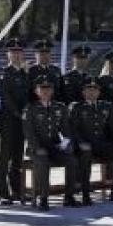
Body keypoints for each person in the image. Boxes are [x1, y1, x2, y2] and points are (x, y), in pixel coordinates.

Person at [23, 77, 79, 210]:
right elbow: (28, 132)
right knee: (43, 161)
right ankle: (43, 198)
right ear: (36, 91)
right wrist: (37, 148)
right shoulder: (30, 109)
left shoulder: (60, 107)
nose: (45, 92)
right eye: (42, 89)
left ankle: (69, 196)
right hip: (36, 148)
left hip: (54, 147)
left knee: (72, 161)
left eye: (48, 89)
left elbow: (66, 131)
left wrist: (66, 146)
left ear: (52, 91)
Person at [70, 77, 113, 206]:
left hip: (101, 144)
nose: (92, 93)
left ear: (99, 92)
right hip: (84, 145)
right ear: (84, 93)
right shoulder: (77, 107)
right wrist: (80, 143)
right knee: (85, 156)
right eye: (89, 90)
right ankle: (86, 194)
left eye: (95, 90)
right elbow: (73, 129)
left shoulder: (106, 106)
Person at [0, 38, 29, 204]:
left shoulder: (24, 74)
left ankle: (17, 190)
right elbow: (6, 98)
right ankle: (2, 192)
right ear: (8, 54)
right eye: (13, 51)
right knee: (5, 157)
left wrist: (27, 112)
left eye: (19, 51)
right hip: (8, 120)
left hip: (21, 121)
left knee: (17, 157)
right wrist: (19, 113)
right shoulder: (3, 72)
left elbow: (28, 96)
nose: (16, 54)